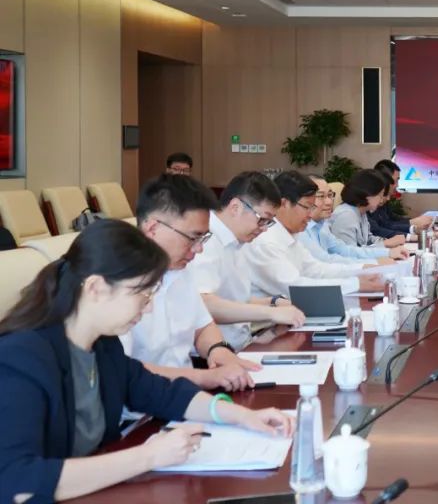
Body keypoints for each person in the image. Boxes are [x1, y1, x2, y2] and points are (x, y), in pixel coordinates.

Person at [0, 220, 293, 502]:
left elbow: (162, 393)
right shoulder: (20, 358)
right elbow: (17, 481)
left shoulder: (103, 345)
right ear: (96, 288)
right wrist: (149, 456)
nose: (149, 306)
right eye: (142, 292)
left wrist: (243, 417)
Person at [124, 175, 259, 391]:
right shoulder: (118, 284)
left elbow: (202, 326)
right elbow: (123, 369)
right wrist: (204, 377)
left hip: (185, 394)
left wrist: (218, 349)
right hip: (140, 404)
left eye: (203, 238)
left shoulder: (181, 270)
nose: (199, 249)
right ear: (153, 228)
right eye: (193, 238)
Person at [188, 172, 306, 350]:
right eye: (262, 219)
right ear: (235, 207)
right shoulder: (205, 239)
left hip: (242, 344)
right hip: (211, 355)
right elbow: (203, 304)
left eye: (268, 222)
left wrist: (273, 303)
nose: (264, 229)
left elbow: (233, 299)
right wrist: (270, 313)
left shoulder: (237, 240)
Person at [244, 170, 385, 298]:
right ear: (284, 204)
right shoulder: (266, 240)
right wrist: (356, 284)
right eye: (307, 207)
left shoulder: (290, 233)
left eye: (312, 207)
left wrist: (361, 270)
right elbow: (295, 287)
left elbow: (315, 269)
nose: (310, 214)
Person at [299, 175, 404, 265]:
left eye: (330, 195)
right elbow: (325, 261)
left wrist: (387, 253)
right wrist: (374, 262)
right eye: (321, 196)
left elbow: (345, 250)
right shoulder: (301, 229)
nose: (329, 202)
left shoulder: (322, 224)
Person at [330, 169, 408, 253]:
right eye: (380, 195)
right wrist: (385, 244)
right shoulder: (346, 216)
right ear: (367, 194)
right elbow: (349, 254)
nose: (382, 200)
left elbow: (368, 239)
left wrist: (388, 242)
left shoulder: (361, 211)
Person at [371, 159, 434, 237]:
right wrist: (411, 227)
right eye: (395, 181)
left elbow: (392, 219)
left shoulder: (383, 199)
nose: (397, 185)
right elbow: (379, 228)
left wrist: (414, 224)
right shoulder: (370, 201)